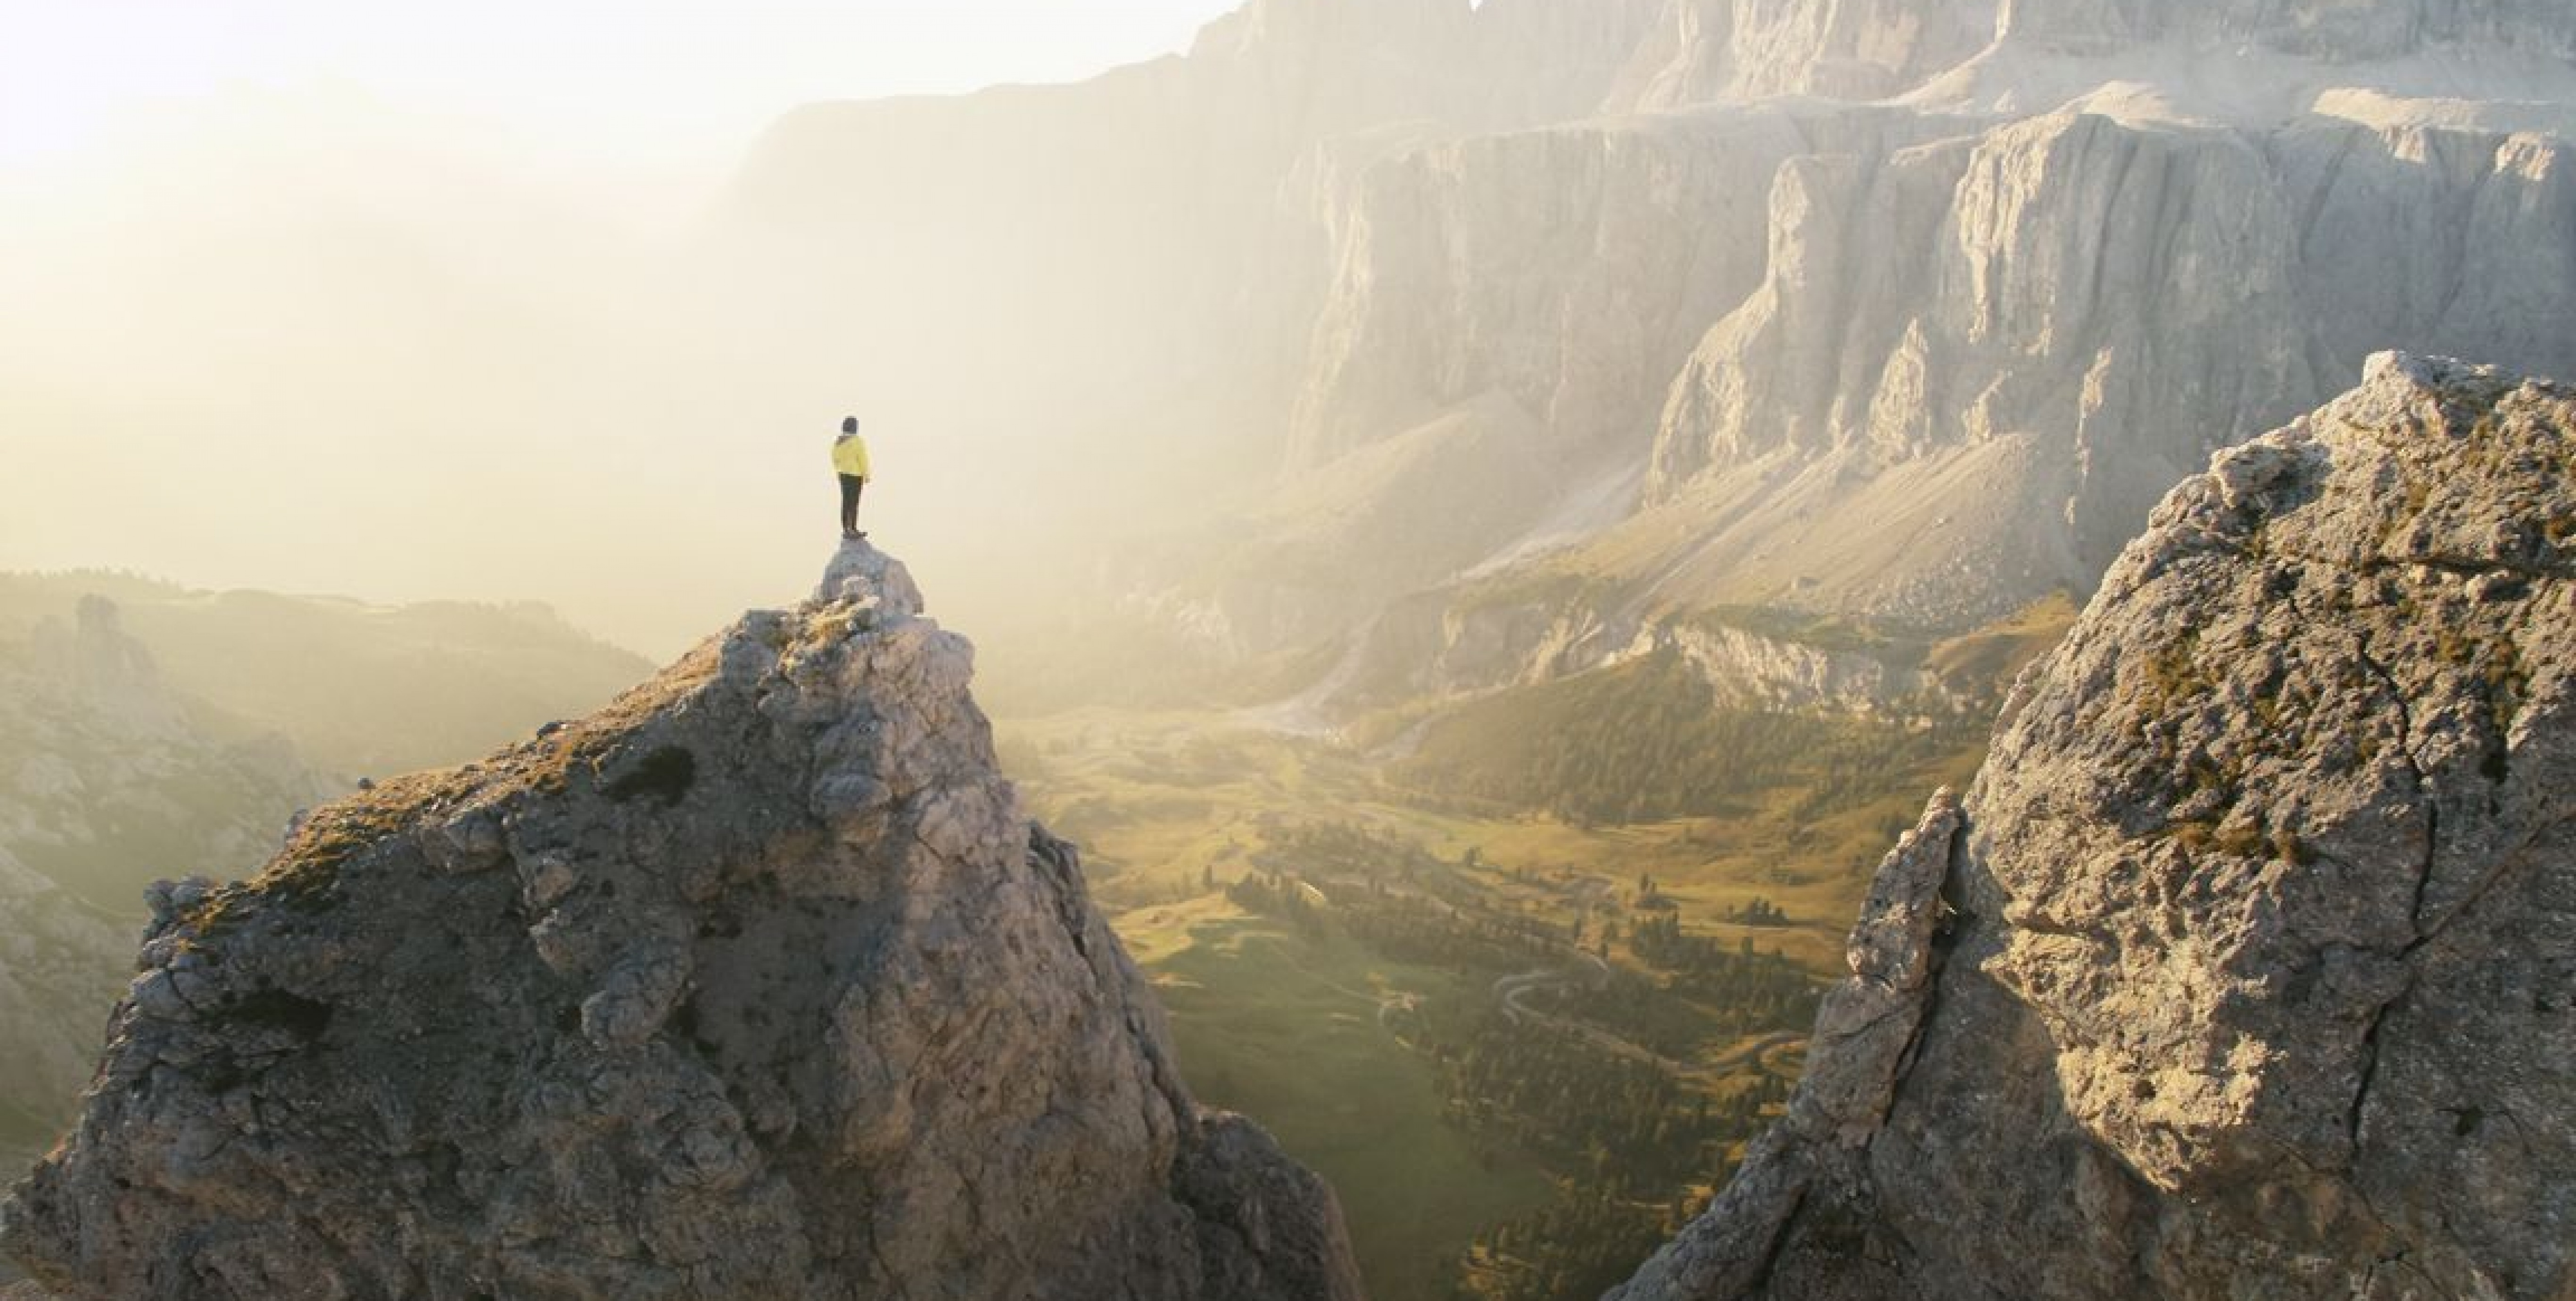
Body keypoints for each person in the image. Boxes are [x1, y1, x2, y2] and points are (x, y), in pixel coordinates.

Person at [833, 416, 871, 540]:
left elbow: (835, 458)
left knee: (846, 501)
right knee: (854, 502)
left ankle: (846, 529)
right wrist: (866, 475)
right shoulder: (857, 441)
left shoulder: (839, 441)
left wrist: (839, 469)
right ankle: (853, 529)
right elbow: (863, 459)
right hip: (855, 475)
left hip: (843, 474)